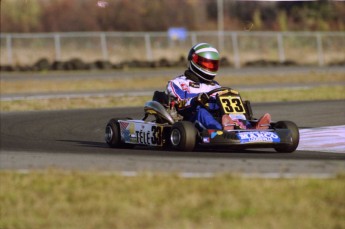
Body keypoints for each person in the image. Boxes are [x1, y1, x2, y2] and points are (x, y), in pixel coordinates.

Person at [165, 42, 271, 131]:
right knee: (202, 112)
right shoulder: (177, 83)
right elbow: (178, 104)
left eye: (212, 64)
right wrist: (196, 99)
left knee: (231, 106)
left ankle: (249, 128)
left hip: (216, 115)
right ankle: (223, 130)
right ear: (194, 61)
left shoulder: (214, 85)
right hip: (189, 118)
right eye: (206, 64)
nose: (209, 67)